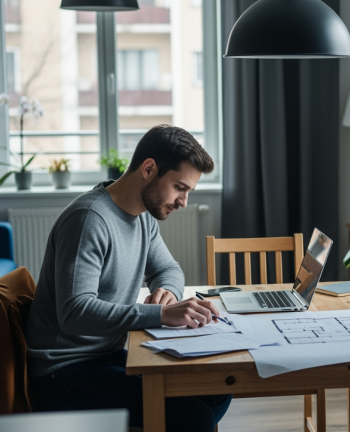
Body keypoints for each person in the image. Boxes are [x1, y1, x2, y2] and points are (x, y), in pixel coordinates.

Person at [25, 125, 231, 431]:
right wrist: (159, 315)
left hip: (106, 355)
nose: (184, 202)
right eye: (180, 187)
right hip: (63, 374)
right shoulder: (89, 219)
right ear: (149, 169)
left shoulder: (142, 217)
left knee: (217, 388)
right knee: (194, 417)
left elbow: (169, 270)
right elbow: (74, 313)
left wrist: (167, 292)